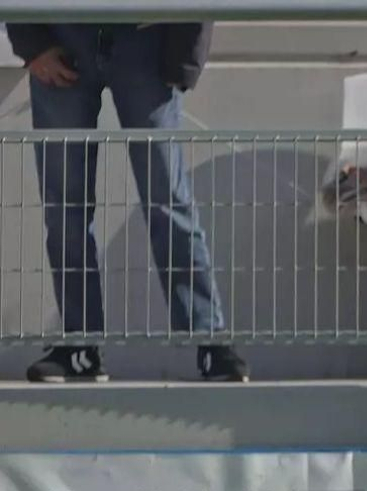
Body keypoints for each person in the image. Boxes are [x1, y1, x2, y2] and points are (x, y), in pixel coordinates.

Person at [5, 22, 248, 382]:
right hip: (61, 36)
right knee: (64, 207)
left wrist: (184, 58)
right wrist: (32, 45)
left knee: (167, 198)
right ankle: (79, 347)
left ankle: (209, 340)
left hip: (146, 39)